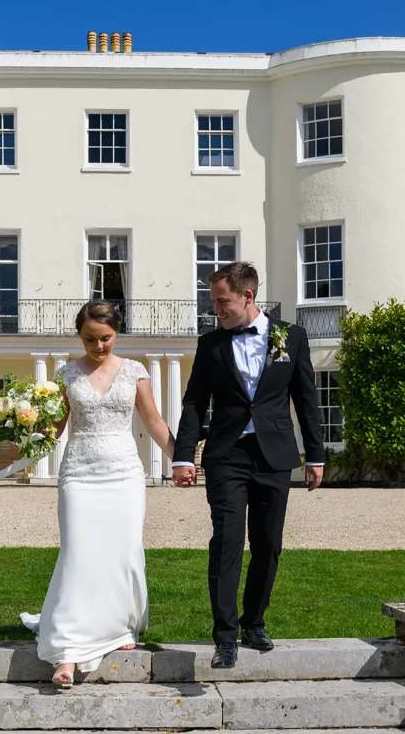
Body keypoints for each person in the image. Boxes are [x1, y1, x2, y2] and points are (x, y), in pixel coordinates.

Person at [172, 262, 326, 669]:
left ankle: (254, 622)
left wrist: (315, 455)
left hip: (274, 455)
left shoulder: (291, 337)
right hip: (226, 454)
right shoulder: (210, 345)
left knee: (268, 544)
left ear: (248, 296)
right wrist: (184, 456)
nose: (216, 310)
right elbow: (194, 402)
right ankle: (225, 638)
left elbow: (306, 398)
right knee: (226, 541)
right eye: (213, 302)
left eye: (222, 301)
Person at [21, 300, 176, 689]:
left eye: (105, 338)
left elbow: (153, 421)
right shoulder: (66, 375)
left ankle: (119, 626)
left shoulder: (136, 372)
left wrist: (183, 459)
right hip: (79, 474)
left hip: (124, 474)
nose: (98, 346)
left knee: (123, 553)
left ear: (116, 333)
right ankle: (67, 651)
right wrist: (24, 433)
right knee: (78, 554)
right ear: (80, 336)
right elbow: (55, 428)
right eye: (89, 339)